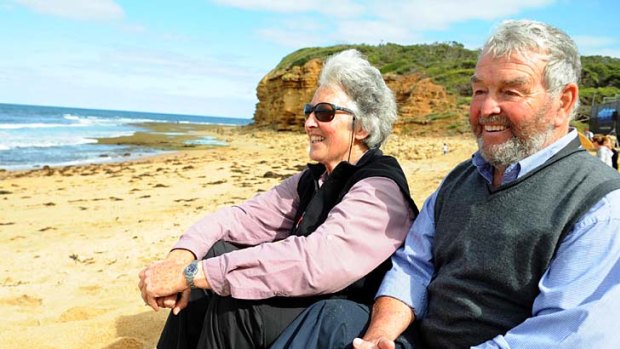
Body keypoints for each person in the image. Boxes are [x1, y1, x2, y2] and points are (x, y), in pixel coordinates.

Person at [271, 19, 620, 349]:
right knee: (331, 317)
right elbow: (414, 266)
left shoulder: (598, 204)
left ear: (564, 102)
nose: (486, 108)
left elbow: (564, 335)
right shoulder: (461, 179)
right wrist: (380, 336)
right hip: (418, 339)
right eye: (479, 90)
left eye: (511, 92)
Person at [138, 49, 418, 349]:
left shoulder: (379, 189)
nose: (310, 122)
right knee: (214, 252)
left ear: (362, 127)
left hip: (348, 315)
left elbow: (315, 261)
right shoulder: (314, 180)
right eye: (309, 111)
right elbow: (238, 219)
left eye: (323, 113)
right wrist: (180, 260)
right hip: (314, 298)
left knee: (237, 306)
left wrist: (195, 275)